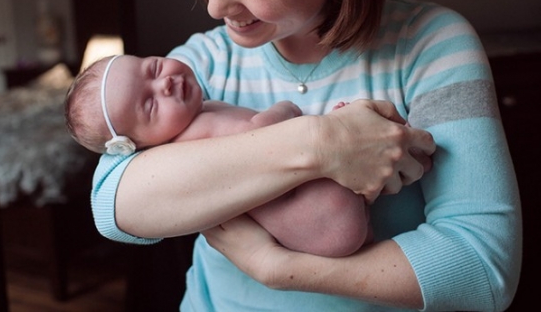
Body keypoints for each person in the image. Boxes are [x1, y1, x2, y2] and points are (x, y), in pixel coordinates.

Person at [90, 0, 522, 311]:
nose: (214, 5)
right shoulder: (199, 67)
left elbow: (481, 269)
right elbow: (113, 205)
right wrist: (321, 142)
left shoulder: (430, 46)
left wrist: (281, 270)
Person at [65, 53, 373, 257]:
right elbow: (263, 133)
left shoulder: (201, 110)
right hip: (326, 219)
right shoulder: (194, 136)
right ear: (138, 144)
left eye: (154, 68)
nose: (165, 82)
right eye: (150, 104)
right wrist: (287, 109)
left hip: (326, 226)